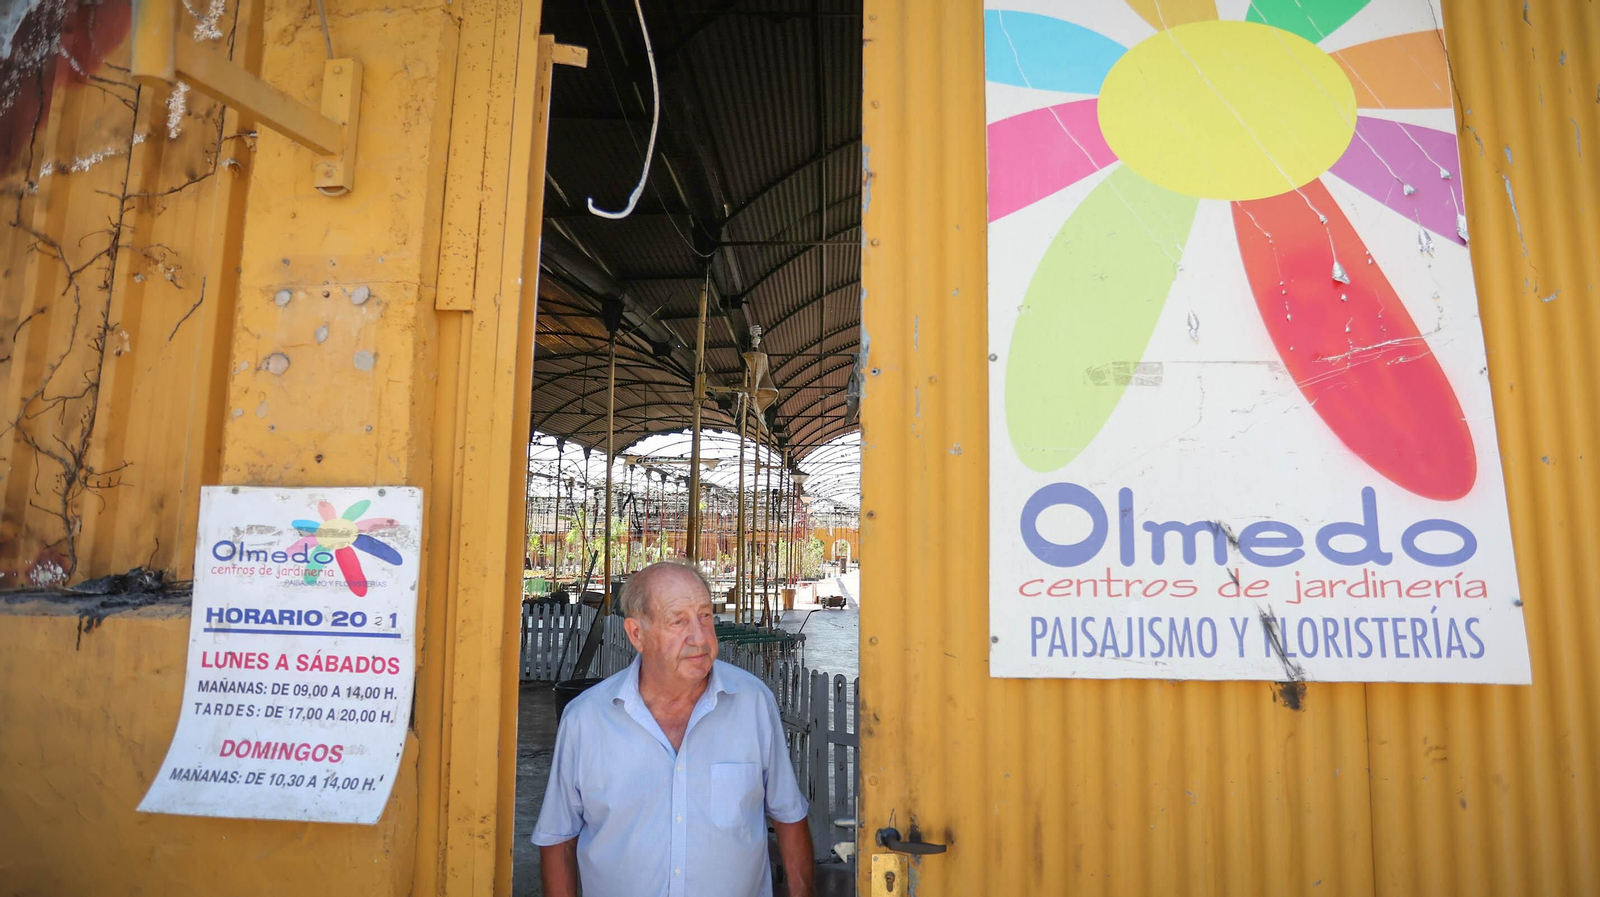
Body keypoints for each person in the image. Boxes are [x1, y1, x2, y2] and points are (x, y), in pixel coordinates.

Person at [534, 561, 815, 897]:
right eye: (678, 621)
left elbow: (789, 816)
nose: (699, 637)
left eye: (705, 616)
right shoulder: (586, 719)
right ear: (637, 634)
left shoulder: (753, 703)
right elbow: (558, 839)